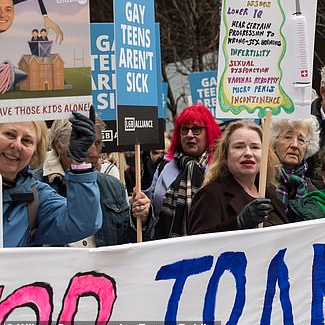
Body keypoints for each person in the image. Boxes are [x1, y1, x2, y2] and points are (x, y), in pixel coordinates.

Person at [33, 117, 150, 246]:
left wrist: (140, 218)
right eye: (85, 144)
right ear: (59, 145)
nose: (94, 153)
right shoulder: (34, 187)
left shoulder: (112, 186)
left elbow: (126, 243)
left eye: (98, 143)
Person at [1, 114, 102, 247]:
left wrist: (79, 163)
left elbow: (83, 223)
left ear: (34, 153)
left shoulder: (36, 197)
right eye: (10, 134)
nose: (17, 145)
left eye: (27, 141)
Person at [188, 121, 287, 234]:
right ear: (225, 155)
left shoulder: (271, 194)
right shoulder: (210, 195)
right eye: (239, 147)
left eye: (255, 147)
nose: (248, 153)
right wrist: (238, 223)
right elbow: (199, 246)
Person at [140, 103, 222, 239]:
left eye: (196, 129)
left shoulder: (220, 169)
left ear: (208, 133)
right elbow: (153, 212)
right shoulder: (163, 167)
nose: (189, 135)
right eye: (185, 129)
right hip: (168, 249)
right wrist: (144, 213)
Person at [271, 116, 320, 212]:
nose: (294, 145)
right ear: (274, 141)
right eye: (288, 137)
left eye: (301, 140)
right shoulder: (259, 183)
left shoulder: (313, 194)